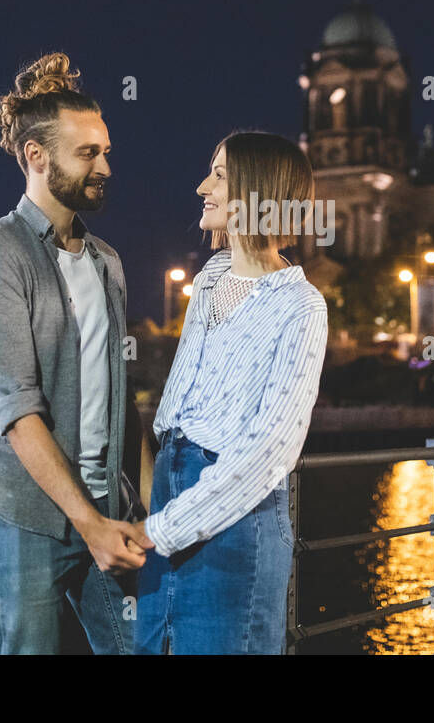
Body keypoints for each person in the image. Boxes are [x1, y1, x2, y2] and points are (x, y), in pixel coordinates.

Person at [0, 52, 154, 654]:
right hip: (25, 517)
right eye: (88, 153)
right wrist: (86, 523)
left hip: (108, 511)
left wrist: (154, 507)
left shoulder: (107, 262)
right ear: (37, 157)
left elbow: (123, 395)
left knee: (145, 647)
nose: (105, 166)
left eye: (106, 150)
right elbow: (13, 409)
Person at [135, 131, 328, 654]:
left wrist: (158, 531)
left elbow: (270, 451)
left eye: (219, 176)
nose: (203, 187)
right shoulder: (211, 279)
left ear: (260, 192)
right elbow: (173, 415)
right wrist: (154, 512)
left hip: (234, 529)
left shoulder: (302, 306)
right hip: (169, 505)